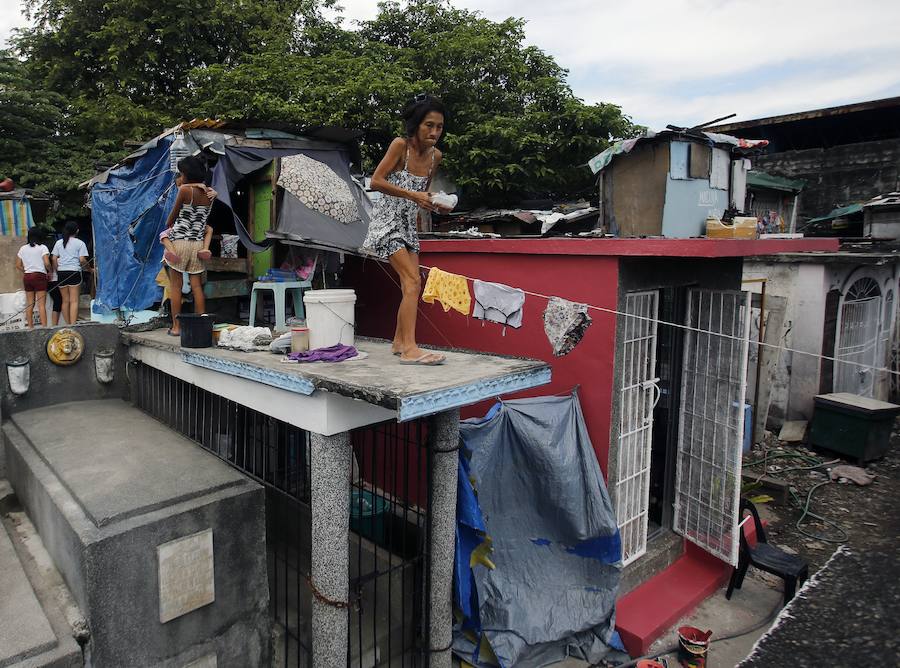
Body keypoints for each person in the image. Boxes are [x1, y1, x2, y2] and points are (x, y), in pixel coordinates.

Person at [363, 94, 451, 365]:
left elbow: (422, 194)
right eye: (429, 125)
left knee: (411, 284)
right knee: (412, 282)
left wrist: (436, 203)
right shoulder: (400, 146)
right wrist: (414, 197)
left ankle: (399, 342)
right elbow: (376, 181)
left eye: (439, 127)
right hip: (387, 224)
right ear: (416, 124)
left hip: (408, 227)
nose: (434, 132)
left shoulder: (436, 156)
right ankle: (410, 349)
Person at [162, 156, 215, 336]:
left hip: (180, 241)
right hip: (198, 244)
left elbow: (171, 219)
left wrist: (171, 222)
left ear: (186, 174)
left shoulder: (184, 190)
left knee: (176, 287)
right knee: (197, 287)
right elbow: (204, 220)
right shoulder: (209, 194)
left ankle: (176, 328)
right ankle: (202, 328)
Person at [51, 221, 89, 325]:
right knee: (74, 301)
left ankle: (67, 324)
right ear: (77, 231)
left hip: (62, 273)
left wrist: (57, 269)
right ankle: (73, 325)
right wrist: (89, 268)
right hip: (74, 272)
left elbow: (54, 258)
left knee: (65, 300)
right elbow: (82, 260)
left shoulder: (59, 242)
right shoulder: (80, 243)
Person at [15, 227, 50, 328]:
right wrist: (50, 270)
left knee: (30, 303)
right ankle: (44, 327)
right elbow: (47, 263)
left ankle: (30, 327)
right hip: (39, 276)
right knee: (41, 304)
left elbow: (17, 265)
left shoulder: (23, 248)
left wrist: (26, 271)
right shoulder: (42, 247)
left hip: (27, 277)